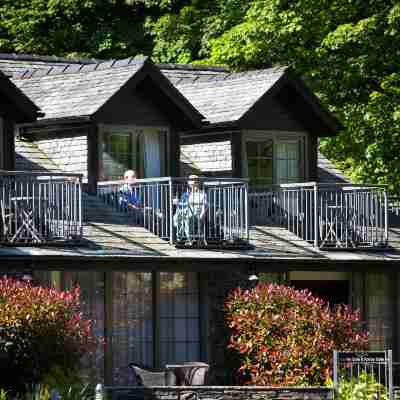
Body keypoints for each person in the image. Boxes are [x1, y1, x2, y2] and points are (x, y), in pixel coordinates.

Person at [173, 175, 208, 246]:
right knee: (177, 217)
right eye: (191, 181)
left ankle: (186, 238)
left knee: (187, 218)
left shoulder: (202, 194)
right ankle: (181, 237)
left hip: (196, 213)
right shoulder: (186, 194)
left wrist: (202, 215)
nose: (193, 183)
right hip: (185, 212)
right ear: (188, 183)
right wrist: (176, 202)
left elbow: (205, 206)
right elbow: (180, 206)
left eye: (195, 182)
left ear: (198, 183)